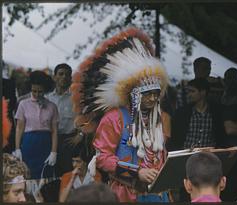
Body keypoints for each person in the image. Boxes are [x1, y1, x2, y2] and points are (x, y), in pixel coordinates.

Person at [71, 28, 170, 202]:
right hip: (126, 194)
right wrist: (137, 172)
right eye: (148, 94)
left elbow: (160, 154)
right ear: (134, 94)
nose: (153, 98)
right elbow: (103, 158)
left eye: (156, 93)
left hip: (157, 194)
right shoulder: (115, 118)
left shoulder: (157, 118)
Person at [13, 71, 58, 182]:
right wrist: (17, 148)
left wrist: (53, 152)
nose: (37, 94)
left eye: (40, 91)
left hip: (45, 143)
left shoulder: (52, 106)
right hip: (29, 143)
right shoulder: (23, 104)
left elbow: (54, 131)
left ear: (46, 89)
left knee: (45, 177)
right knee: (28, 175)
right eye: (34, 91)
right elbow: (19, 128)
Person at [170, 78, 222, 150]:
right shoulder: (182, 113)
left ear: (203, 92)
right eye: (188, 91)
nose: (189, 94)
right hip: (186, 155)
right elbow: (175, 138)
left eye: (192, 91)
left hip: (208, 157)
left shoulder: (215, 113)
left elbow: (219, 137)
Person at [47, 63, 77, 177]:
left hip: (68, 142)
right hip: (50, 140)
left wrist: (80, 134)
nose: (64, 77)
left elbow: (86, 118)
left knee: (67, 174)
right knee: (50, 174)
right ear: (54, 77)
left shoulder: (75, 98)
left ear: (70, 78)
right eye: (60, 74)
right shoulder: (47, 98)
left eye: (67, 74)